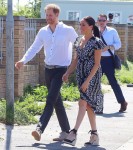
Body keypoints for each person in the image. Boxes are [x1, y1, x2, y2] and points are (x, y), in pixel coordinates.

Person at [15, 4, 78, 141]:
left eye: (50, 15)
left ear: (57, 15)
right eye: (46, 15)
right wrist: (23, 60)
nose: (48, 18)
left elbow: (79, 44)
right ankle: (66, 131)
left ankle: (39, 128)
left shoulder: (68, 30)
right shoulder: (43, 31)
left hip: (61, 70)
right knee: (57, 101)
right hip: (48, 69)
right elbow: (34, 47)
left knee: (50, 99)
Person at [62, 16, 105, 146]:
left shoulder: (96, 42)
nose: (81, 27)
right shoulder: (79, 40)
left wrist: (87, 81)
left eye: (83, 25)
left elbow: (97, 64)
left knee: (82, 102)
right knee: (88, 106)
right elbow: (76, 60)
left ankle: (73, 133)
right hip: (81, 75)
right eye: (80, 25)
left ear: (91, 26)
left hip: (92, 76)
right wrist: (68, 72)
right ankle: (94, 134)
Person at [96, 14, 128, 114]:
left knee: (113, 82)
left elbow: (118, 44)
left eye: (103, 20)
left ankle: (122, 102)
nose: (101, 22)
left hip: (108, 60)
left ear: (106, 21)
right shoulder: (94, 31)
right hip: (97, 60)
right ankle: (97, 106)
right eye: (100, 20)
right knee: (95, 82)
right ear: (97, 21)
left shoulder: (112, 31)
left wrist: (109, 47)